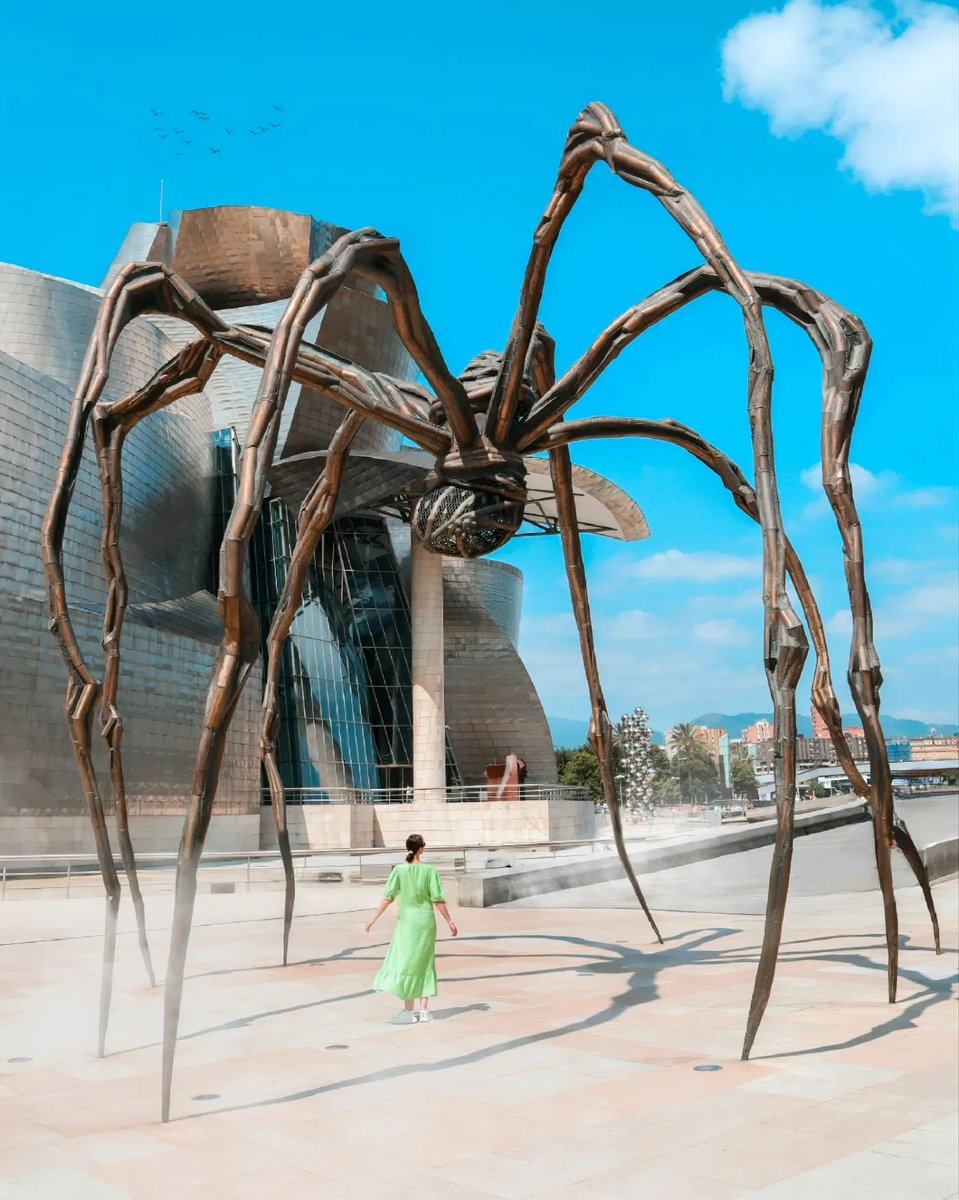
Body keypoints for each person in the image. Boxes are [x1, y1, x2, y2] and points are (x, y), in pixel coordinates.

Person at [365, 833, 458, 1024]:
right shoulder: (429, 870)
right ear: (421, 849)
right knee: (425, 962)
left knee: (407, 961)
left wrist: (373, 918)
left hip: (407, 924)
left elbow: (388, 897)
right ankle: (424, 1011)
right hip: (425, 922)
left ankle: (408, 1012)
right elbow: (437, 899)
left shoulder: (399, 870)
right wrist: (449, 920)